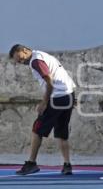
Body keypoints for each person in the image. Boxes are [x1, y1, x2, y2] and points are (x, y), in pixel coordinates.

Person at [9, 44, 76, 175]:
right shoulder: (42, 55)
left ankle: (31, 163)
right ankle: (67, 165)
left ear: (25, 50)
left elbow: (49, 82)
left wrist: (44, 102)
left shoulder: (35, 61)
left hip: (57, 98)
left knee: (37, 129)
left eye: (20, 58)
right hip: (68, 95)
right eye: (18, 62)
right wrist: (72, 98)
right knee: (61, 132)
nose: (21, 62)